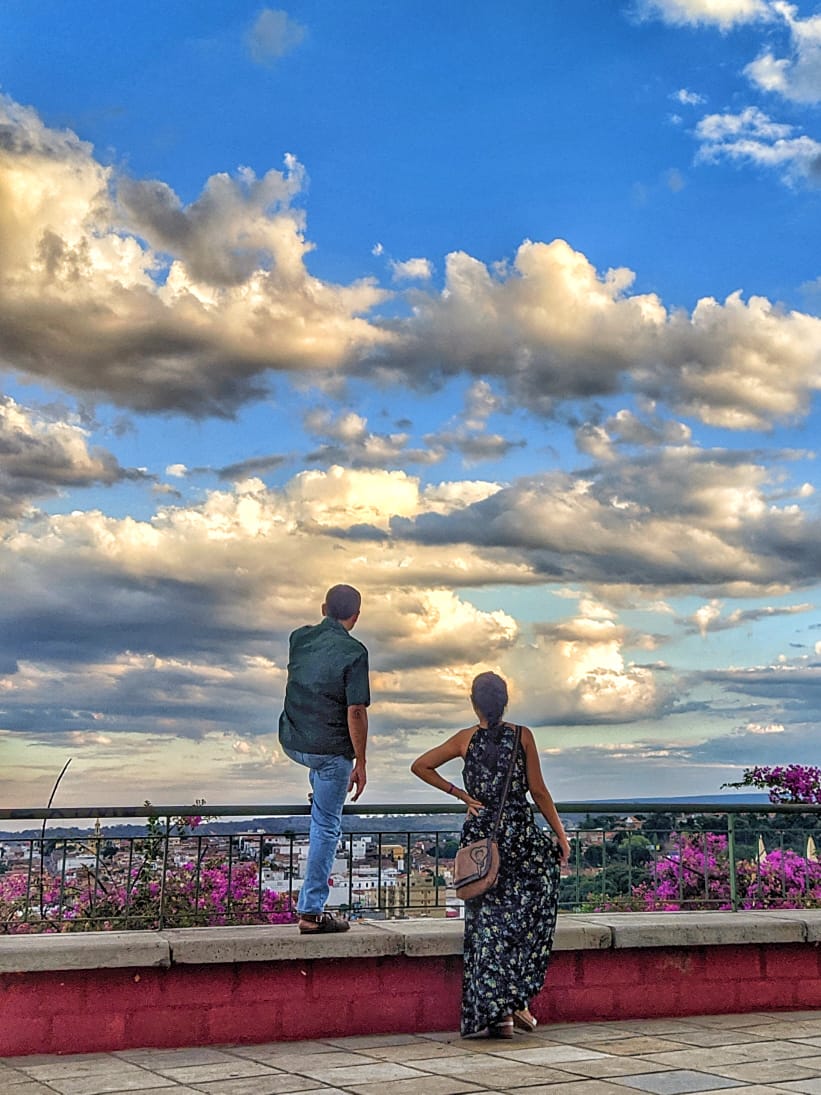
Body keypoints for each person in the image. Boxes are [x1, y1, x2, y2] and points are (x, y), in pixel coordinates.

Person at [411, 671, 570, 1037]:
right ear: (505, 702)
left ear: (474, 704)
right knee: (523, 920)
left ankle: (498, 1014)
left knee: (486, 925)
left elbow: (420, 765)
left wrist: (461, 795)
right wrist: (560, 836)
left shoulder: (465, 739)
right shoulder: (522, 736)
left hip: (482, 840)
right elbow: (539, 792)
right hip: (519, 838)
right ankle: (516, 1002)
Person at [279, 584, 370, 934]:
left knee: (322, 774)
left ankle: (320, 791)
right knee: (327, 826)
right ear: (356, 617)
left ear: (323, 609)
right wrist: (360, 761)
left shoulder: (298, 638)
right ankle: (311, 911)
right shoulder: (354, 652)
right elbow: (356, 711)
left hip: (293, 742)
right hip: (330, 751)